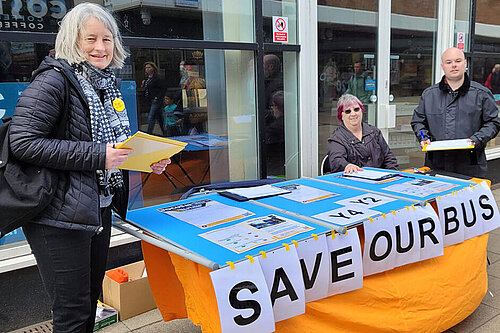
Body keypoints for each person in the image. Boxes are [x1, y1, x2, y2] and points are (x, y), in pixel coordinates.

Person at [8, 3, 170, 332]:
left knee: (89, 304)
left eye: (107, 39)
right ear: (72, 40)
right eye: (90, 38)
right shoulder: (53, 81)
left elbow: (112, 148)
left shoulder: (104, 84)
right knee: (71, 314)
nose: (100, 47)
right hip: (56, 217)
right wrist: (98, 155)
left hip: (97, 209)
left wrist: (146, 159)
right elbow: (22, 143)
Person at [411, 47, 500, 178]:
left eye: (458, 61)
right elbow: (418, 122)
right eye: (448, 62)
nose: (453, 65)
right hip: (436, 165)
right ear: (442, 66)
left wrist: (477, 139)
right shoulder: (429, 95)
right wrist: (424, 137)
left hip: (470, 165)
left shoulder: (481, 94)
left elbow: (493, 123)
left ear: (465, 63)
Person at [327, 94, 398, 174]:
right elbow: (337, 160)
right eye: (348, 111)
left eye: (356, 109)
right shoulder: (336, 138)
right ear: (341, 115)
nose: (353, 114)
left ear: (362, 111)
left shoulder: (374, 132)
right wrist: (347, 166)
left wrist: (392, 176)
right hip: (354, 183)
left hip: (381, 181)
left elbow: (389, 157)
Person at [142, 61, 165, 135]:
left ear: (153, 68)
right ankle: (165, 132)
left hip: (156, 100)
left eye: (149, 67)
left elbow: (163, 88)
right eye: (146, 68)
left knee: (151, 117)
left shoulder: (158, 77)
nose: (147, 69)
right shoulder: (147, 79)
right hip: (149, 100)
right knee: (159, 117)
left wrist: (157, 97)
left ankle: (149, 133)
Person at [265, 90, 285, 175]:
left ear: (277, 108)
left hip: (275, 169)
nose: (272, 108)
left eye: (273, 106)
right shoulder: (293, 121)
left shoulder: (275, 127)